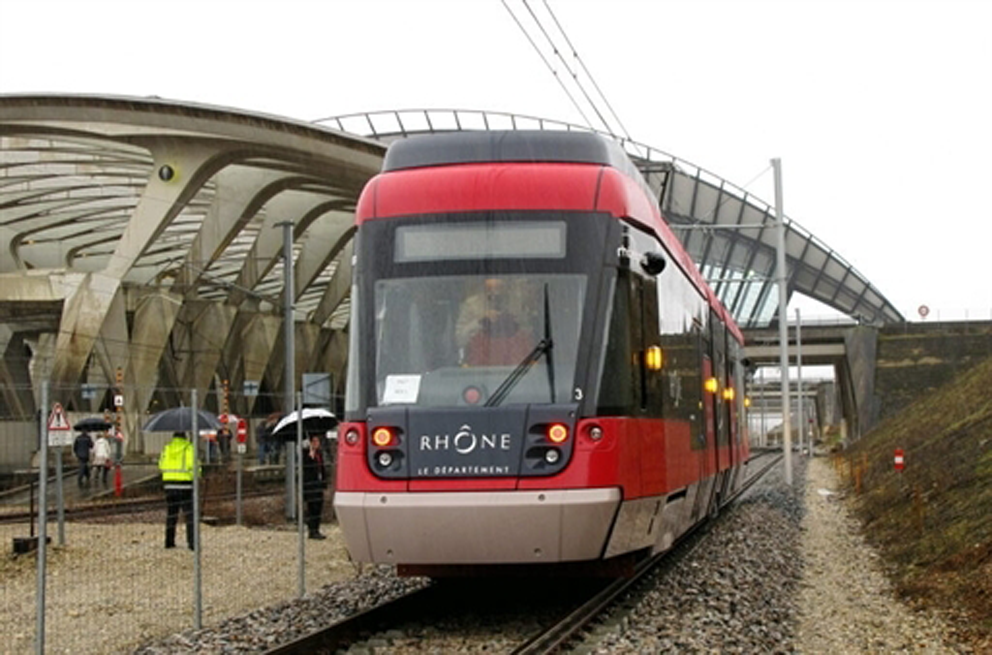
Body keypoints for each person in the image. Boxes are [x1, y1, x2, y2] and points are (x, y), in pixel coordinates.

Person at [457, 278, 535, 366]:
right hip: (480, 369)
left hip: (514, 367)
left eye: (499, 288)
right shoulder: (471, 305)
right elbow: (460, 339)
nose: (495, 293)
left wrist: (514, 322)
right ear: (483, 287)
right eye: (490, 289)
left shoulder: (516, 303)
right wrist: (481, 321)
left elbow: (530, 337)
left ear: (506, 287)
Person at [158, 431, 197, 550]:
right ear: (185, 437)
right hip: (185, 485)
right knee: (190, 515)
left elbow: (161, 465)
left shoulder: (167, 448)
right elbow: (193, 466)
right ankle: (192, 543)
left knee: (171, 514)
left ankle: (169, 542)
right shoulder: (189, 448)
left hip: (169, 485)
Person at [301, 434, 328, 540]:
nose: (317, 444)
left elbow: (322, 469)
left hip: (318, 484)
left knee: (318, 507)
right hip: (310, 486)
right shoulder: (306, 454)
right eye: (314, 441)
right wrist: (309, 458)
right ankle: (312, 530)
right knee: (312, 508)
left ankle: (316, 528)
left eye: (318, 441)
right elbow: (306, 469)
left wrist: (324, 483)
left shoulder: (319, 454)